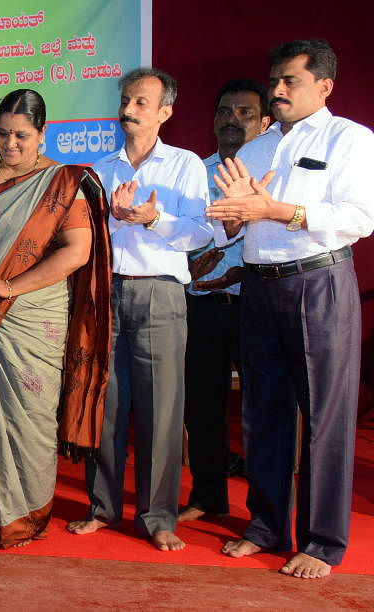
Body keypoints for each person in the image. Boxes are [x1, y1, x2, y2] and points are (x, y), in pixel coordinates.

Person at [209, 39, 374, 579]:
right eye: (275, 80)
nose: (277, 91)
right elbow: (230, 223)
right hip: (258, 286)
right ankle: (266, 525)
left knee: (325, 416)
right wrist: (232, 218)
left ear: (324, 86)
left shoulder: (349, 138)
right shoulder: (256, 149)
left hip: (319, 282)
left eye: (290, 82)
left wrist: (273, 209)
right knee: (262, 412)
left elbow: (358, 216)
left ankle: (322, 542)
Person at [0, 89, 111, 549]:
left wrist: (9, 287)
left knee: (28, 414)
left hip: (32, 313)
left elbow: (78, 250)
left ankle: (21, 514)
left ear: (42, 133)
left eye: (22, 136)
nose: (10, 145)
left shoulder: (60, 182)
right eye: (3, 134)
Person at [67, 68, 212, 551]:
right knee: (104, 404)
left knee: (160, 409)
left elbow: (202, 234)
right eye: (125, 101)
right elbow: (80, 238)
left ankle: (157, 516)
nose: (128, 110)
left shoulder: (186, 165)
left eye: (141, 103)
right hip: (105, 293)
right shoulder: (101, 169)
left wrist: (154, 218)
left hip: (160, 293)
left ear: (165, 112)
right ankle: (103, 507)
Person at [178, 79, 269, 524]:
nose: (233, 119)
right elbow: (180, 236)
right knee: (203, 405)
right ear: (213, 121)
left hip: (259, 305)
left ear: (265, 121)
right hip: (202, 306)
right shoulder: (195, 173)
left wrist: (242, 275)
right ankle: (208, 495)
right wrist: (194, 277)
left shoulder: (274, 174)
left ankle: (264, 510)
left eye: (246, 112)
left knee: (263, 408)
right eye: (225, 111)